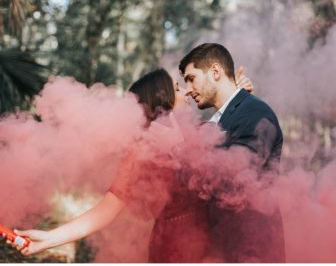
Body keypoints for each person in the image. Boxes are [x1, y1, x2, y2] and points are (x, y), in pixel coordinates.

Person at [5, 66, 253, 262]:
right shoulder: (142, 151)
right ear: (162, 99)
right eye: (177, 88)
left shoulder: (198, 131)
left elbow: (231, 158)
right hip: (174, 249)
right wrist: (49, 239)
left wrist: (238, 99)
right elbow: (106, 210)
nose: (186, 92)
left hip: (215, 243)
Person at [178, 43, 286, 262]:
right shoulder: (221, 118)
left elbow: (238, 176)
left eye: (191, 78)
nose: (188, 89)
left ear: (215, 72)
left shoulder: (254, 111)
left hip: (249, 250)